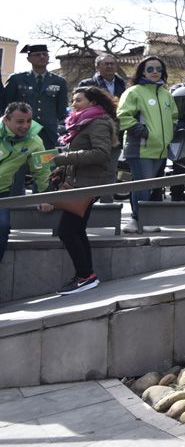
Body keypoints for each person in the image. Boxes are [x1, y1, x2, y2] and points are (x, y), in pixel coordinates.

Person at [48, 87, 119, 295]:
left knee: (67, 230)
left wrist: (62, 158)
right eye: (73, 99)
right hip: (81, 182)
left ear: (93, 102)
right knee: (76, 230)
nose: (74, 103)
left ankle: (85, 276)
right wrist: (62, 168)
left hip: (89, 184)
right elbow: (82, 153)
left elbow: (100, 153)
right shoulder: (85, 121)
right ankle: (86, 274)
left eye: (79, 100)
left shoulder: (98, 122)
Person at [116, 55, 178, 234]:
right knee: (143, 184)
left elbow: (174, 116)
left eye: (158, 69)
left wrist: (169, 132)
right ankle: (137, 220)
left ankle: (141, 219)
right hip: (140, 147)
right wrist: (144, 132)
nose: (155, 72)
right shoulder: (134, 92)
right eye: (150, 69)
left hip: (160, 149)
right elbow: (123, 116)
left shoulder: (166, 94)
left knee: (149, 186)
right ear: (142, 71)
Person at [0, 103, 50, 265]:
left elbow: (43, 170)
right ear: (7, 120)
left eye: (28, 121)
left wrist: (46, 195)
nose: (26, 126)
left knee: (2, 227)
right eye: (20, 121)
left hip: (2, 193)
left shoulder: (36, 140)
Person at [6, 44, 68, 152]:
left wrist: (52, 122)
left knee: (46, 165)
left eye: (45, 54)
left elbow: (61, 109)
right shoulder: (16, 79)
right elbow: (6, 105)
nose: (42, 57)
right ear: (29, 59)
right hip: (21, 131)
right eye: (37, 54)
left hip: (48, 133)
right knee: (20, 164)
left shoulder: (59, 81)